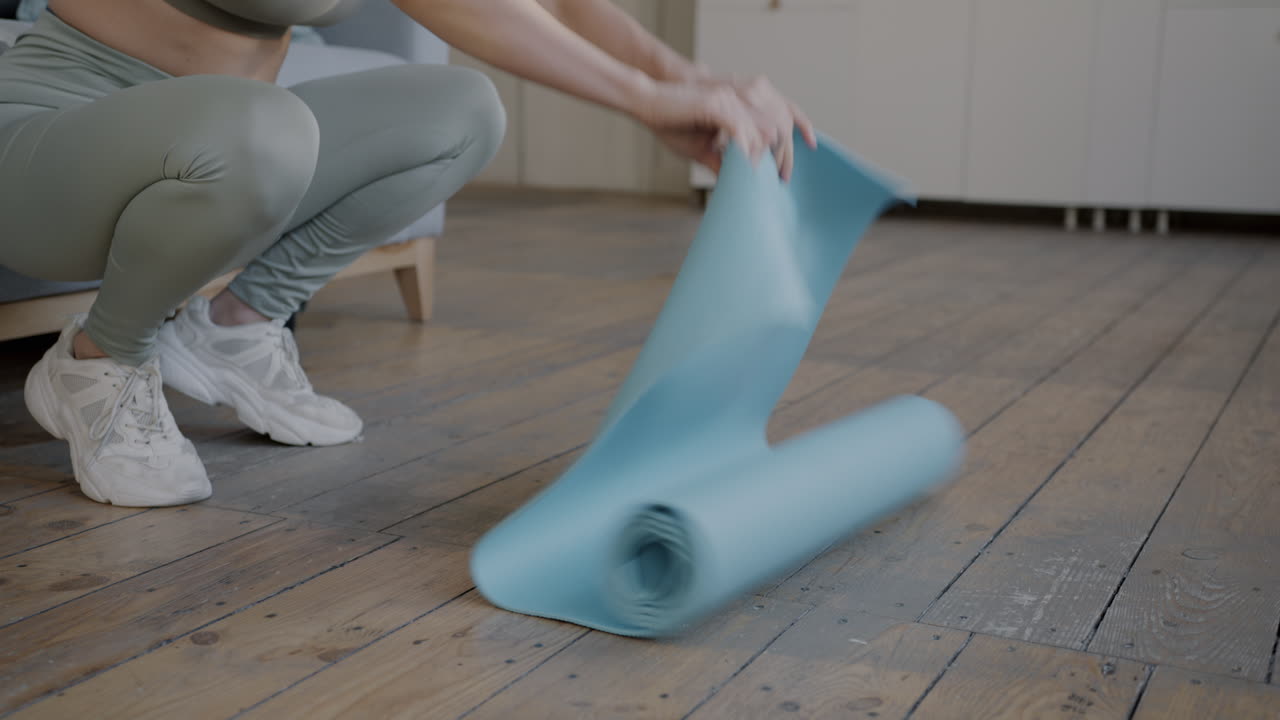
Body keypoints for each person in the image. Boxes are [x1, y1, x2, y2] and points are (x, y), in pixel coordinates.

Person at [0, 0, 815, 508]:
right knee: (262, 128)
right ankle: (99, 360)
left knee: (461, 111)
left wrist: (695, 81)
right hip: (50, 146)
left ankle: (233, 329)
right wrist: (646, 100)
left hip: (221, 138)